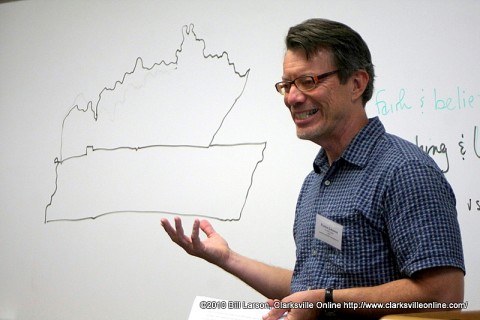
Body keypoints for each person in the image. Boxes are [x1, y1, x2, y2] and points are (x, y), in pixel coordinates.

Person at [161, 18, 465, 320]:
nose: (292, 98)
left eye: (309, 82)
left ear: (357, 83)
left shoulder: (404, 171)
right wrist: (228, 259)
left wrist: (326, 301)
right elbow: (308, 289)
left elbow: (445, 296)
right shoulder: (317, 180)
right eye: (287, 85)